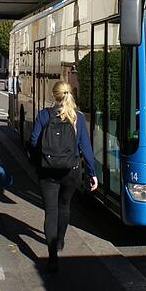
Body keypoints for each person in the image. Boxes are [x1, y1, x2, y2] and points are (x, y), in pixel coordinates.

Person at [29, 81, 97, 273]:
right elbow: (86, 149)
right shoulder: (78, 118)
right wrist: (92, 173)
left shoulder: (44, 115)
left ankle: (52, 257)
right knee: (64, 206)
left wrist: (37, 161)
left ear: (54, 95)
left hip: (47, 171)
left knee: (50, 211)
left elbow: (33, 141)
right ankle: (60, 241)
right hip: (71, 170)